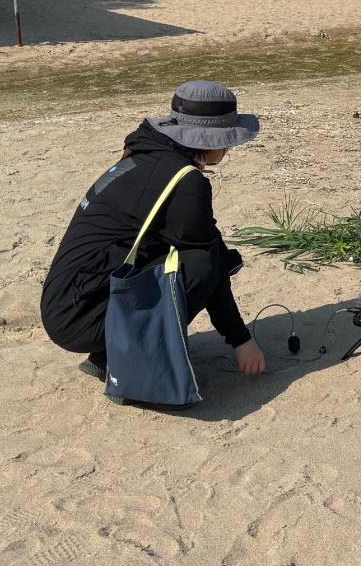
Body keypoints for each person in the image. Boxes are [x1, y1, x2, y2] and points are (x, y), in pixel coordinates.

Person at [40, 81, 266, 383]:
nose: (227, 149)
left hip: (64, 300)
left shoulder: (140, 154)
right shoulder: (185, 182)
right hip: (80, 318)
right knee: (202, 265)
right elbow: (208, 258)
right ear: (211, 140)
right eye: (227, 141)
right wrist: (241, 340)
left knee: (182, 252)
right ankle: (131, 362)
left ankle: (105, 355)